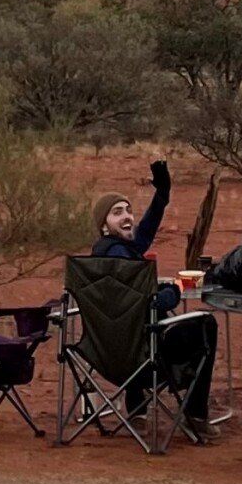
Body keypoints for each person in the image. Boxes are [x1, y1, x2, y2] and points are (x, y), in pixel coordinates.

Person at [91, 159, 218, 435]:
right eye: (117, 212)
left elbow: (143, 235)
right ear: (103, 225)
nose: (127, 216)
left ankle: (135, 411)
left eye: (128, 210)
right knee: (205, 325)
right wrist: (177, 287)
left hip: (108, 356)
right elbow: (155, 303)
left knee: (132, 326)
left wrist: (161, 198)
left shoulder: (105, 255)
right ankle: (195, 414)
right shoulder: (118, 257)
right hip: (145, 359)